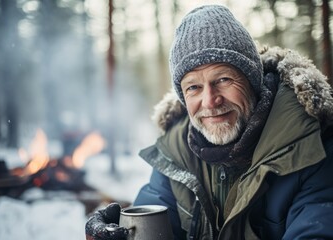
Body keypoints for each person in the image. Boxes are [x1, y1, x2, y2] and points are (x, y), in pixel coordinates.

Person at [85, 4, 333, 240]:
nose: (210, 101)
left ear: (253, 81)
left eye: (223, 79)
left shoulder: (311, 145)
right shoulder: (175, 153)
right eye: (193, 87)